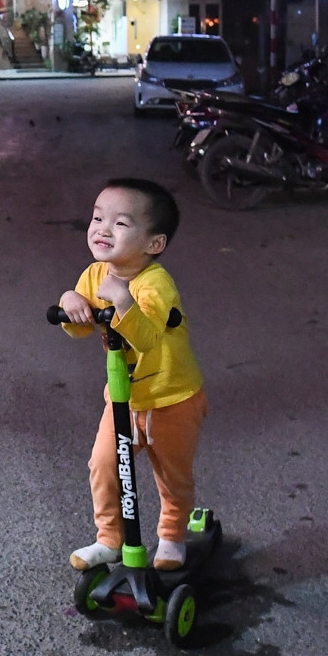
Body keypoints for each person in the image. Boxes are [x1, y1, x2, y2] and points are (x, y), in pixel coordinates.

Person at [57, 178, 207, 573]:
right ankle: (109, 539)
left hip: (173, 398)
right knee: (103, 466)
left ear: (153, 244)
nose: (103, 229)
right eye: (97, 218)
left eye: (121, 224)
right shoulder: (94, 274)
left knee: (171, 475)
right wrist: (70, 302)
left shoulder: (156, 284)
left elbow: (146, 338)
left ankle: (172, 535)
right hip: (123, 398)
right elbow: (79, 327)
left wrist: (123, 300)